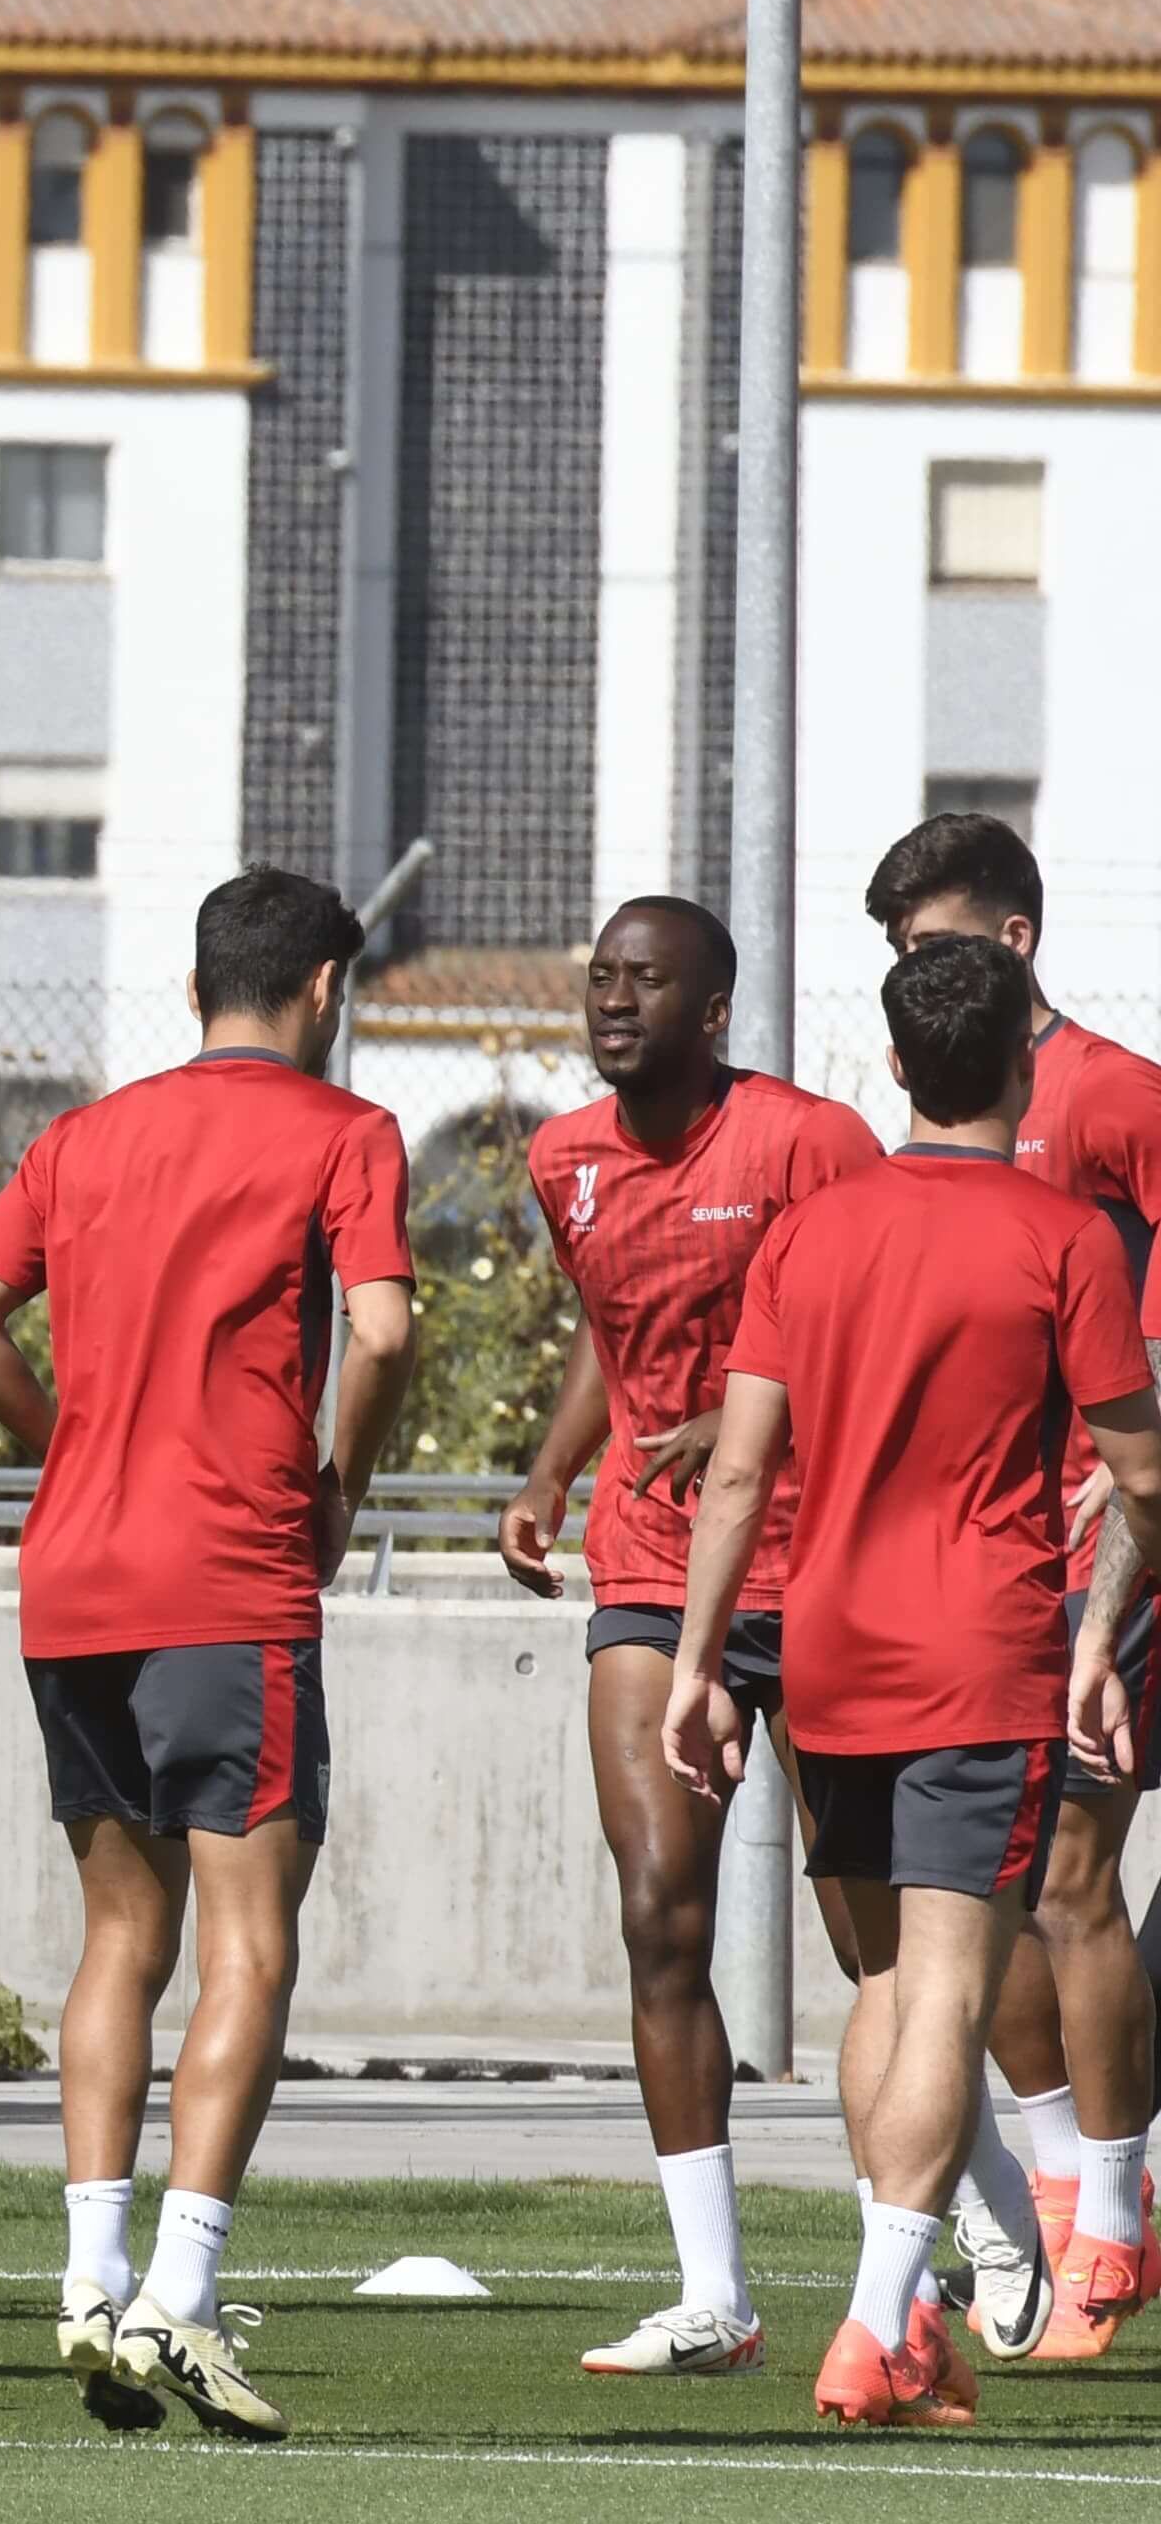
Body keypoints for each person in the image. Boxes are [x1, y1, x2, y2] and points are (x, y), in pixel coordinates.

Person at [0, 866, 416, 2442]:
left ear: (196, 983)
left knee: (114, 1939)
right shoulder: (342, 1133)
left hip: (75, 1585)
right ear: (327, 987)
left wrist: (69, 1444)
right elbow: (390, 1330)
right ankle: (184, 2302)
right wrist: (336, 1483)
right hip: (230, 1580)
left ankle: (88, 2278)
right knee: (249, 1943)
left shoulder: (81, 1135)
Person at [671, 929, 1161, 2428]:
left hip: (826, 1649)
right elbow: (1141, 1470)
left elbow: (740, 1471)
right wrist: (1099, 1639)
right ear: (1025, 1056)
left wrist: (700, 1664)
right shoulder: (1062, 1235)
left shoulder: (810, 1231)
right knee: (948, 1987)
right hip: (978, 1653)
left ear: (892, 1065)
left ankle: (918, 2313)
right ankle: (877, 2322)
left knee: (885, 1985)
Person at [497, 895, 884, 2376]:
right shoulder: (561, 1157)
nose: (615, 998)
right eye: (600, 975)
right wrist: (547, 1467)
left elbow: (875, 1322)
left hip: (821, 1563)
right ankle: (715, 2292)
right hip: (652, 1561)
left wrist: (748, 1413)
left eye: (647, 980)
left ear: (712, 1009)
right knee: (662, 1912)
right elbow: (617, 1342)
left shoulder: (808, 1144)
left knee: (879, 1950)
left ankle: (963, 2228)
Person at [862, 810, 1161, 2317]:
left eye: (926, 947)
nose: (909, 980)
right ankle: (1060, 2170)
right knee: (995, 1891)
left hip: (1107, 1539)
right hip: (974, 1565)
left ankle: (1113, 2208)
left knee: (1067, 1874)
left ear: (1013, 941)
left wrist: (1122, 1542)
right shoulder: (921, 1125)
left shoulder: (1118, 1098)